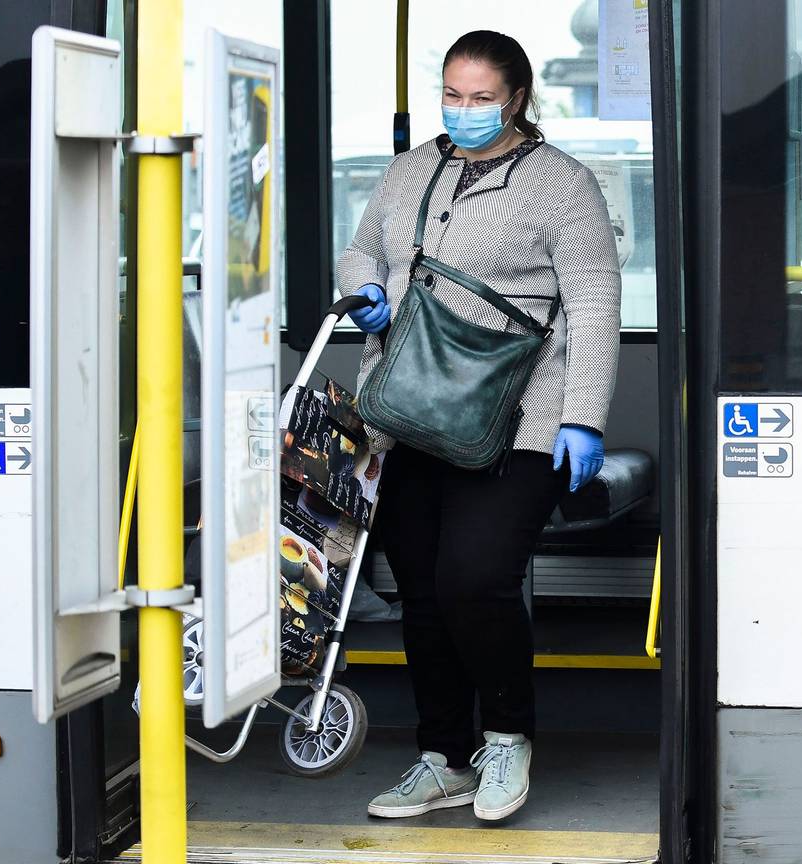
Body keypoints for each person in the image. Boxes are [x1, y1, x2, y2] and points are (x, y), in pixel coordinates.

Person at [336, 31, 621, 822]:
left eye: (480, 98)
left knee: (475, 580)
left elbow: (594, 304)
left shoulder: (564, 186)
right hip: (405, 410)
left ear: (518, 99)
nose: (462, 112)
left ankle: (507, 738)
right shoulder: (409, 169)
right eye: (451, 96)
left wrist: (583, 418)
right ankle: (443, 758)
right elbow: (361, 249)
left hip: (520, 415)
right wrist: (367, 290)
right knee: (422, 592)